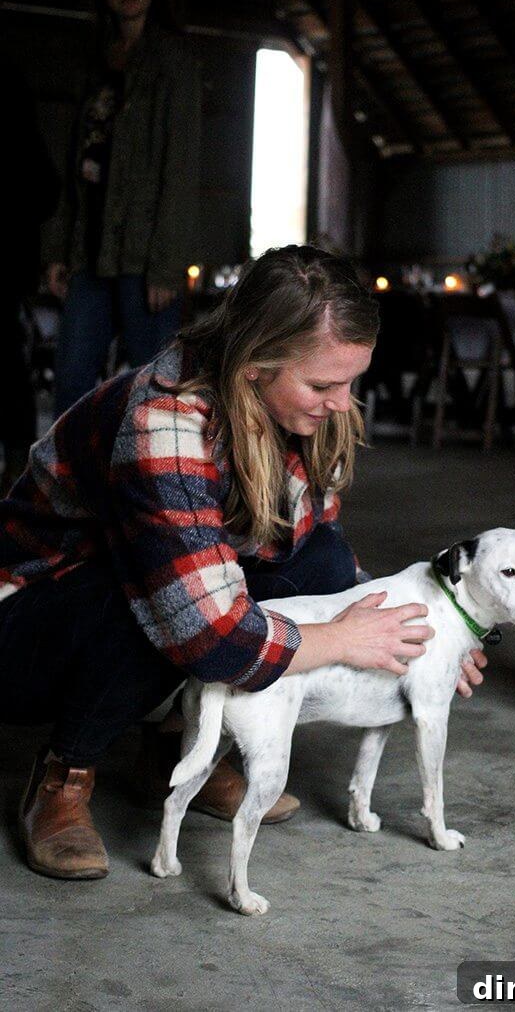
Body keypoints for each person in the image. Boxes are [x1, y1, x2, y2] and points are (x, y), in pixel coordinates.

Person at [0, 245, 487, 880]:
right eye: (322, 385)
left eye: (350, 382)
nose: (341, 403)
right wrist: (339, 639)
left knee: (323, 560)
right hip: (32, 619)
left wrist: (422, 637)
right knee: (147, 598)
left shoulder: (296, 412)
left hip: (156, 592)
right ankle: (65, 773)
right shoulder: (162, 422)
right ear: (256, 365)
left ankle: (176, 747)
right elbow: (208, 632)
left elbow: (325, 560)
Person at [44, 0, 200, 417]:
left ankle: (151, 482)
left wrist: (167, 265)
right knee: (72, 384)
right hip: (88, 250)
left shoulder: (174, 61)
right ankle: (68, 483)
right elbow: (76, 161)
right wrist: (59, 249)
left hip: (142, 256)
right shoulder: (95, 59)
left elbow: (181, 167)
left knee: (153, 392)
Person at [0, 59, 60, 492]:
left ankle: (18, 464)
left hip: (5, 269)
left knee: (7, 361)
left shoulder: (22, 142)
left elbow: (44, 193)